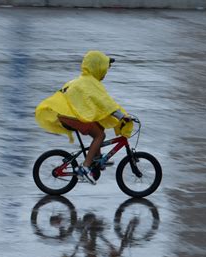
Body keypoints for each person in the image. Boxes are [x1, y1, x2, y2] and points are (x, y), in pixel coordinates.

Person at [35, 51, 133, 185]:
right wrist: (122, 116)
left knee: (100, 127)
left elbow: (100, 103)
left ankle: (96, 159)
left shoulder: (81, 80)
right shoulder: (89, 83)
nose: (105, 73)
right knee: (99, 136)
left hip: (66, 114)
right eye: (105, 69)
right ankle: (85, 167)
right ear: (96, 67)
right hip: (71, 116)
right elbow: (105, 103)